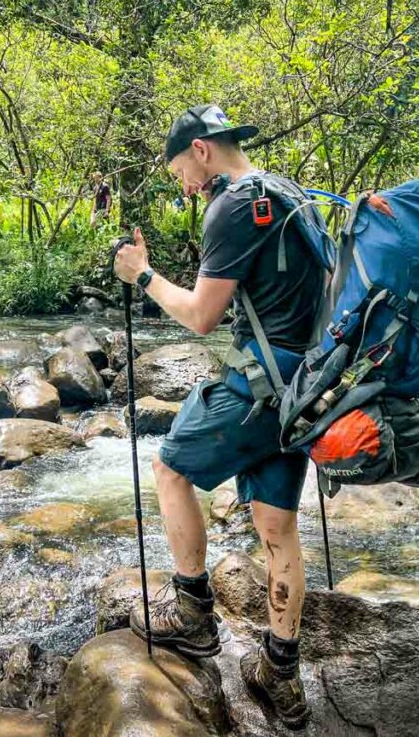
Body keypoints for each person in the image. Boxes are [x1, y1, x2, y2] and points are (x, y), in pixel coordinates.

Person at [112, 104, 320, 729]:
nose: (183, 184)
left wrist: (140, 273)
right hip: (306, 391)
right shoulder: (293, 196)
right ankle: (281, 679)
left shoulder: (230, 205)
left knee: (170, 468)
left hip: (258, 390)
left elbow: (202, 315)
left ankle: (194, 617)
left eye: (180, 169)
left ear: (201, 150)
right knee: (277, 525)